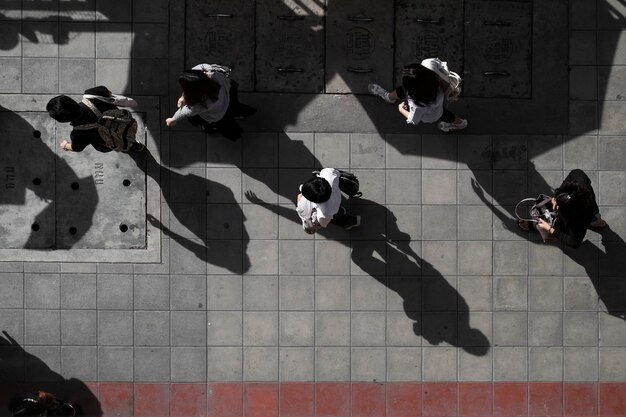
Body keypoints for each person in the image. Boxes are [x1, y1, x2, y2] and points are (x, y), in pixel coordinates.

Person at [368, 58, 467, 132]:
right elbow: (440, 65)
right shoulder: (432, 71)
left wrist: (401, 109)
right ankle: (461, 124)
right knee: (446, 115)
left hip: (433, 114)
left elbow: (413, 120)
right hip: (434, 105)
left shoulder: (417, 105)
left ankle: (388, 97)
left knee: (445, 115)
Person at [518, 169, 607, 248]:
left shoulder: (575, 222)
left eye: (559, 208)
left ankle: (538, 225)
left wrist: (550, 229)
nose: (556, 208)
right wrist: (557, 196)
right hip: (590, 209)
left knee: (559, 226)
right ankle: (595, 221)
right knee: (593, 217)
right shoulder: (581, 185)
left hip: (582, 218)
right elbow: (575, 172)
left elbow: (574, 243)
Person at [165, 63, 255, 140]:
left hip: (219, 114)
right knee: (235, 107)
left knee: (213, 126)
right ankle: (242, 114)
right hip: (228, 93)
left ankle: (215, 129)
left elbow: (183, 112)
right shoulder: (210, 74)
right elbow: (201, 67)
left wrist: (172, 120)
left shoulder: (200, 105)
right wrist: (183, 97)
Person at [46, 86, 144, 153]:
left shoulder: (78, 134)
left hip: (108, 143)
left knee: (120, 143)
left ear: (63, 121)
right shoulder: (91, 94)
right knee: (126, 134)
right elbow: (107, 92)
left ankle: (133, 146)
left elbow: (77, 148)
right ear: (71, 100)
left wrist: (65, 145)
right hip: (125, 123)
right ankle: (135, 145)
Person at [296, 168, 360, 234]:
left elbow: (323, 223)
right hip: (334, 196)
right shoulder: (328, 172)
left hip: (333, 209)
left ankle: (348, 221)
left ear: (313, 200)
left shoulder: (324, 214)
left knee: (337, 216)